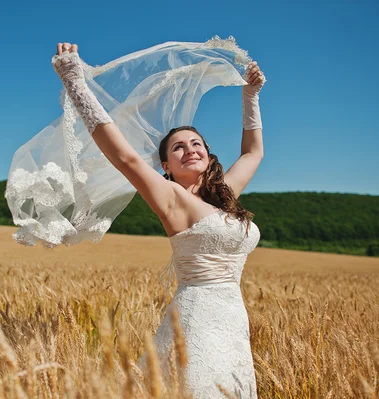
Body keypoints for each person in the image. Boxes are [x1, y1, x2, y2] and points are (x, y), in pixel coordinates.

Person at [52, 41, 264, 398]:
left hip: (233, 322)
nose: (190, 149)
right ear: (165, 165)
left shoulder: (225, 197)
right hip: (196, 320)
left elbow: (253, 152)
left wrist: (250, 94)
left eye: (196, 143)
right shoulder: (171, 199)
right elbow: (126, 158)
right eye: (178, 147)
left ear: (208, 155)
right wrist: (75, 82)